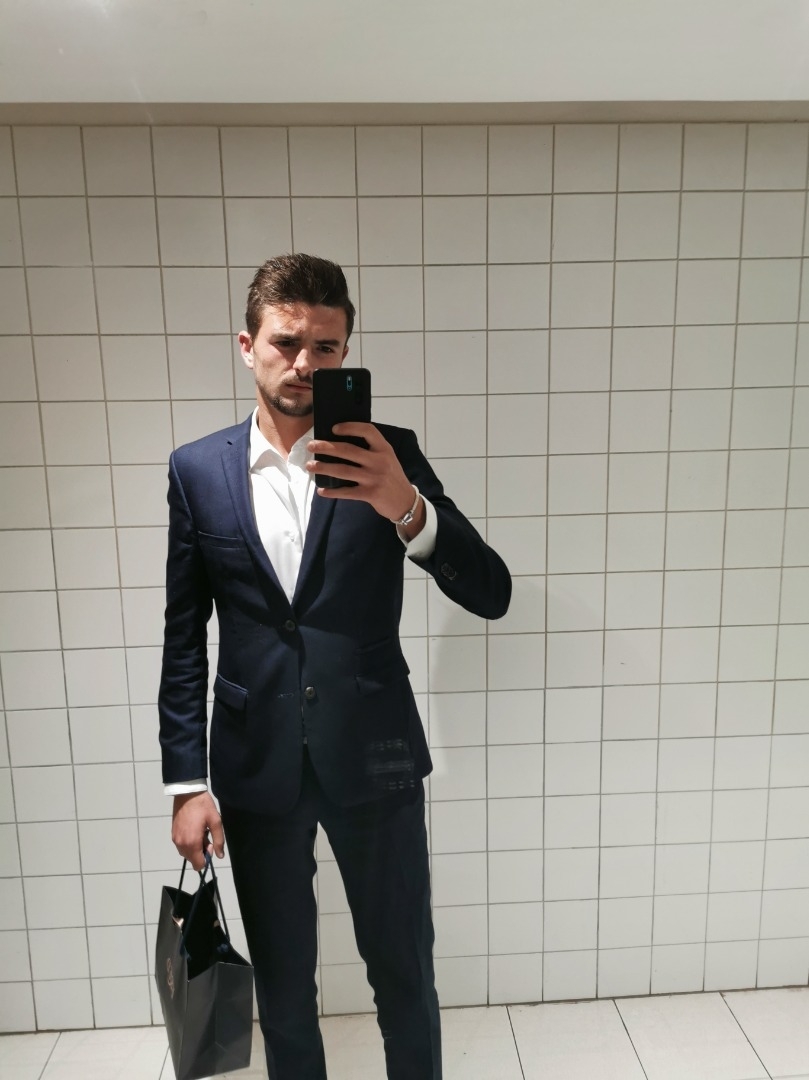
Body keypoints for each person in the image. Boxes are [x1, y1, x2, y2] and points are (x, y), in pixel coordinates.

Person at [159, 253, 512, 1080]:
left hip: (375, 757)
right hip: (255, 768)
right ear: (247, 345)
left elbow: (489, 591)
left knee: (404, 976)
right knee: (284, 993)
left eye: (325, 348)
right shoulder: (196, 470)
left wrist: (404, 506)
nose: (303, 364)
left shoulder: (389, 454)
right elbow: (183, 634)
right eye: (286, 343)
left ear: (345, 353)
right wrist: (186, 783)